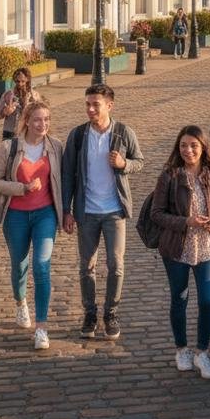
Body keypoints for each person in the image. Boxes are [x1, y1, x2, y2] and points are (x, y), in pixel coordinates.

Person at [62, 84, 144, 341]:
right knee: (86, 266)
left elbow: (139, 161)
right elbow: (67, 175)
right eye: (87, 104)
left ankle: (111, 313)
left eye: (95, 104)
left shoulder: (123, 132)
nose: (90, 109)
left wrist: (124, 164)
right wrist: (67, 209)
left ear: (109, 105)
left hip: (114, 211)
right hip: (86, 212)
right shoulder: (77, 136)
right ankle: (90, 313)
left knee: (116, 266)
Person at [0, 100, 65, 350]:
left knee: (42, 267)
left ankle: (41, 328)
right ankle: (21, 304)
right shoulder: (9, 147)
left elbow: (65, 180)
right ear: (27, 121)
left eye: (47, 120)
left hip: (45, 215)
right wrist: (22, 189)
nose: (43, 125)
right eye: (38, 120)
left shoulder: (56, 147)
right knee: (19, 265)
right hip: (16, 216)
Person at [151, 125, 210, 379]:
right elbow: (156, 214)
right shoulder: (170, 175)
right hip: (177, 249)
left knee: (207, 301)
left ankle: (202, 352)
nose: (188, 150)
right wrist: (187, 222)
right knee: (179, 299)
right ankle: (181, 348)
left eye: (193, 145)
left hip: (206, 247)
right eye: (183, 145)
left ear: (203, 147)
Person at [0, 67, 43, 140]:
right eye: (17, 81)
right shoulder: (7, 95)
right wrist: (5, 112)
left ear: (27, 80)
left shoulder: (34, 96)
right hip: (10, 133)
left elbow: (41, 115)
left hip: (28, 133)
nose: (20, 84)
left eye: (23, 81)